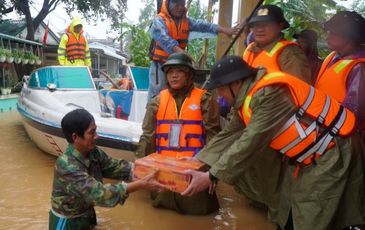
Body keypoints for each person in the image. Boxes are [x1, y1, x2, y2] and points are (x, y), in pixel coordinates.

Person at [181, 56, 365, 229]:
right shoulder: (246, 99)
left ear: (236, 83)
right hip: (306, 160)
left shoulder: (270, 93)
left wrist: (212, 176)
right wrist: (197, 162)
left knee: (311, 215)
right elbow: (228, 134)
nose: (219, 94)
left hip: (333, 154)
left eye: (220, 88)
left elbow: (250, 142)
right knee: (284, 211)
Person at [49, 109, 166, 229]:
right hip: (67, 224)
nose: (97, 136)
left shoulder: (92, 151)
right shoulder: (66, 166)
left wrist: (145, 170)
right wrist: (140, 184)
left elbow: (114, 166)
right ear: (75, 137)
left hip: (86, 215)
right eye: (92, 132)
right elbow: (101, 194)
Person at [136, 52, 221, 215]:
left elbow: (215, 138)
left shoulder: (205, 100)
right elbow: (147, 136)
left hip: (194, 174)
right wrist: (139, 166)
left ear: (189, 75)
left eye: (179, 71)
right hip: (163, 175)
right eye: (170, 72)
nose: (174, 75)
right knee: (160, 214)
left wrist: (213, 174)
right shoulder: (157, 101)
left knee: (199, 215)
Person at [147, 0, 239, 102]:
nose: (180, 7)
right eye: (176, 4)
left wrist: (224, 30)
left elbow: (204, 25)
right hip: (160, 66)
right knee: (156, 97)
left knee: (177, 97)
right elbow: (164, 38)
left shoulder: (187, 22)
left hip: (178, 67)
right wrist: (181, 52)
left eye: (182, 4)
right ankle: (152, 117)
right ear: (168, 4)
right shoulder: (159, 21)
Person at [315, 11, 365, 133]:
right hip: (317, 129)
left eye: (334, 32)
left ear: (350, 36)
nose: (328, 35)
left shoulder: (359, 68)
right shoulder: (333, 56)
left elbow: (353, 115)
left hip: (334, 137)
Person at [243, 4, 311, 83]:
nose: (259, 29)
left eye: (265, 24)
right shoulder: (251, 48)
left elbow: (300, 91)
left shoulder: (290, 53)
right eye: (255, 24)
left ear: (280, 26)